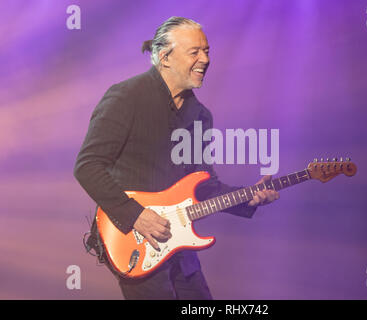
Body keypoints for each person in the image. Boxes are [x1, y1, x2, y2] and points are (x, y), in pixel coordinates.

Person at [74, 16, 279, 300]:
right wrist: (136, 216)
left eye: (207, 51)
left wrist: (249, 197)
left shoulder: (200, 116)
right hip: (134, 238)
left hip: (178, 244)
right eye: (195, 52)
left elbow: (205, 186)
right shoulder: (126, 96)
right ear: (165, 57)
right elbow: (88, 166)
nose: (205, 59)